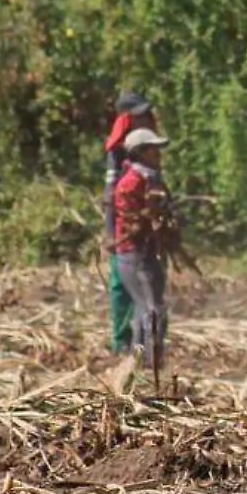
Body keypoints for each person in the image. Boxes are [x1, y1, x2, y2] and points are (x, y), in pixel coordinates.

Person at [111, 128, 198, 373]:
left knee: (145, 309)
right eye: (153, 149)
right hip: (136, 254)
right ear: (141, 153)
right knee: (153, 311)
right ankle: (151, 367)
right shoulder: (133, 182)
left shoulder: (149, 178)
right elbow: (136, 221)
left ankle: (140, 364)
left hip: (142, 253)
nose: (158, 154)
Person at [102, 93, 158, 354]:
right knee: (120, 282)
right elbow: (110, 193)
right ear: (127, 118)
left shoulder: (148, 142)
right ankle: (121, 342)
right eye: (138, 116)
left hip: (144, 226)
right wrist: (111, 233)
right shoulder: (118, 149)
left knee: (148, 281)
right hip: (124, 226)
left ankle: (143, 344)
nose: (144, 119)